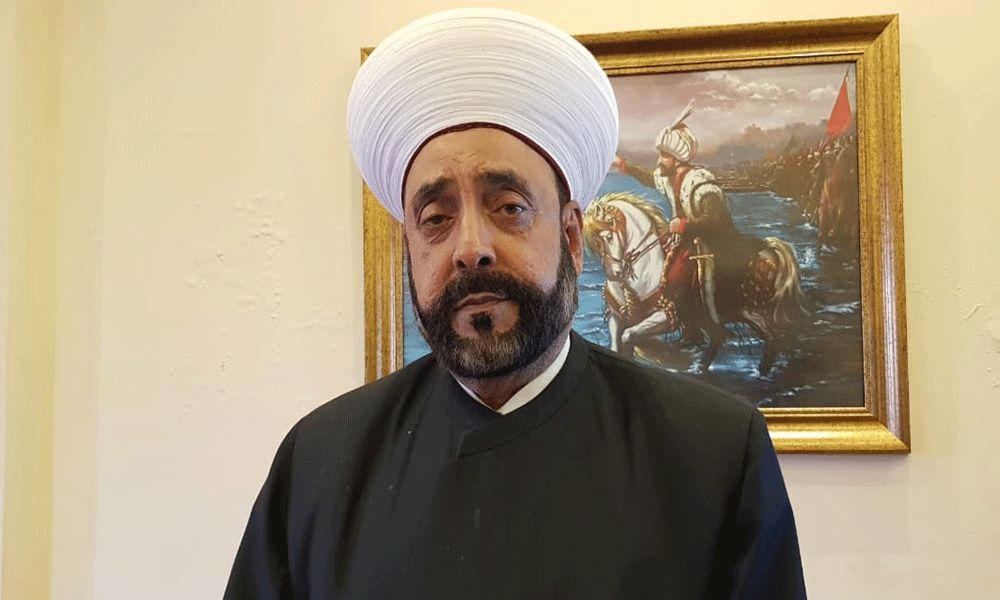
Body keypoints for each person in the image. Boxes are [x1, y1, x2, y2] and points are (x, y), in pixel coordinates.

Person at [224, 8, 806, 599]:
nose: (469, 248)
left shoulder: (713, 455)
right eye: (435, 218)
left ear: (572, 237)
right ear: (410, 248)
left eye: (509, 208)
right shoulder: (321, 463)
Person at [613, 103, 767, 324]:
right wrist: (623, 165)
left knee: (682, 280)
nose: (659, 161)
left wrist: (685, 225)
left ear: (677, 159)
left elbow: (716, 220)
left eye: (664, 156)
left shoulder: (700, 183)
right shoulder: (668, 178)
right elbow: (648, 176)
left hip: (716, 244)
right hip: (689, 242)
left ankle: (712, 322)